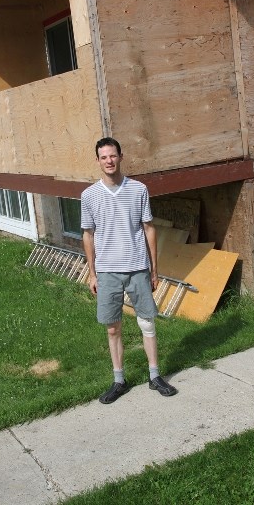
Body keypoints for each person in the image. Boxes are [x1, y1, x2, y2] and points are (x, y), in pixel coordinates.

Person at [81, 137, 177, 404]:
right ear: (98, 161)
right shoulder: (89, 195)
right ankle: (119, 380)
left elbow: (149, 228)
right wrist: (92, 272)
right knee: (113, 328)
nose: (109, 161)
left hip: (137, 267)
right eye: (104, 157)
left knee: (147, 322)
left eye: (113, 156)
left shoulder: (138, 190)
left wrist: (154, 269)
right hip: (107, 271)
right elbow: (88, 234)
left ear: (121, 157)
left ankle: (155, 376)